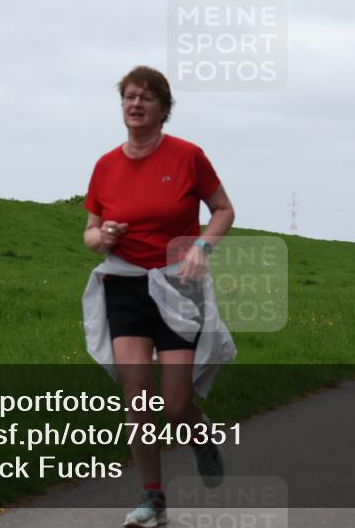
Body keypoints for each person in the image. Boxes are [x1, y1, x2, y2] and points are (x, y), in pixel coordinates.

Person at [82, 66, 236, 528]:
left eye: (146, 98)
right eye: (129, 97)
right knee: (137, 394)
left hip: (177, 284)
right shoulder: (106, 166)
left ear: (164, 110)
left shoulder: (188, 156)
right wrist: (104, 236)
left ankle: (199, 434)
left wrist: (202, 247)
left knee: (174, 404)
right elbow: (90, 233)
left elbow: (223, 210)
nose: (135, 104)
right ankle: (152, 497)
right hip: (125, 283)